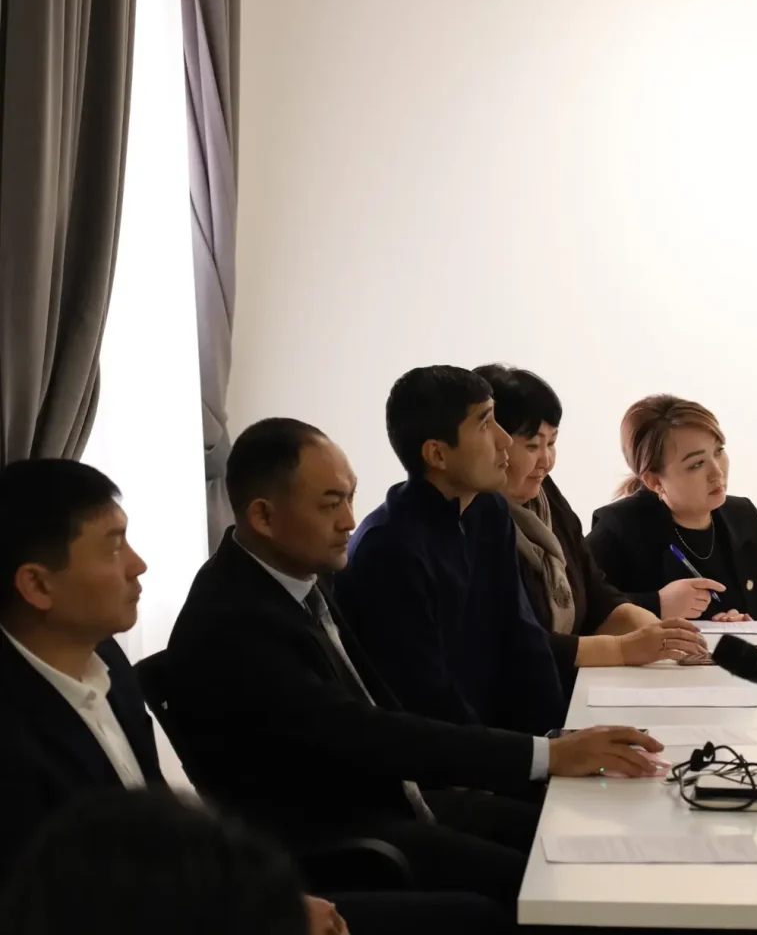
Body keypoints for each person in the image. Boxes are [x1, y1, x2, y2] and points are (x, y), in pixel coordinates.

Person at [164, 417, 663, 918]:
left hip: (391, 795)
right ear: (264, 516)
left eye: (350, 498)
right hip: (337, 834)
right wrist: (547, 754)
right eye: (331, 504)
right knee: (539, 883)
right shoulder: (234, 622)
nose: (349, 520)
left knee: (580, 829)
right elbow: (367, 733)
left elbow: (382, 709)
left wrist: (548, 753)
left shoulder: (294, 572)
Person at [337, 365, 572, 730]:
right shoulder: (388, 548)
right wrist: (534, 756)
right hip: (446, 752)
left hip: (505, 743)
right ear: (438, 455)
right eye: (485, 424)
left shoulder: (489, 510)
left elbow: (523, 640)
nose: (504, 440)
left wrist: (559, 739)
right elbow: (427, 703)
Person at [0, 787, 514, 935]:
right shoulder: (233, 618)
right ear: (37, 584)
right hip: (303, 845)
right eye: (111, 560)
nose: (138, 568)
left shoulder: (105, 670)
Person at [472, 365, 706, 681]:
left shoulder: (544, 494)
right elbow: (512, 646)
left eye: (551, 443)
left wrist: (660, 631)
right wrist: (623, 649)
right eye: (532, 446)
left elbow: (596, 593)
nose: (546, 462)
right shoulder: (472, 522)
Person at [0, 459, 165, 879]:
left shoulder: (106, 657)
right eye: (114, 547)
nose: (138, 565)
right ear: (38, 585)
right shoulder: (12, 743)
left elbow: (163, 827)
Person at [587, 395, 757, 621]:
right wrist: (657, 605)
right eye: (696, 464)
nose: (717, 472)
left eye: (718, 451)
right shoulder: (617, 528)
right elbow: (577, 612)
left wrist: (745, 629)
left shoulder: (742, 516)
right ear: (654, 481)